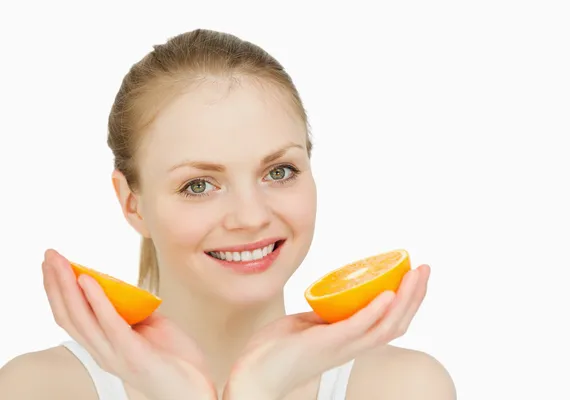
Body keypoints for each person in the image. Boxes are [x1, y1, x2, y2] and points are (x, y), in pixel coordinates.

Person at [0, 28, 455, 400]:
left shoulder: (403, 388)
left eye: (279, 171)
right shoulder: (41, 388)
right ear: (131, 203)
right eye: (198, 185)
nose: (250, 216)